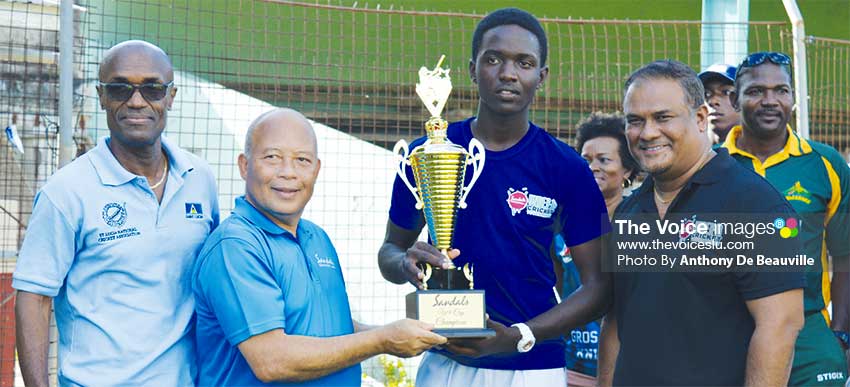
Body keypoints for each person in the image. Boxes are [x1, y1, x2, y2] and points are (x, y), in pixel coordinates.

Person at [378, 8, 612, 386]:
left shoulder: (566, 167)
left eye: (524, 63)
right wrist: (405, 261)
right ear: (472, 70)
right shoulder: (429, 154)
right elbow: (388, 251)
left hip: (531, 365)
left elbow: (598, 286)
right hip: (445, 361)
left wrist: (520, 335)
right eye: (494, 59)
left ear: (541, 77)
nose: (508, 73)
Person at [13, 40, 220, 386]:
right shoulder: (66, 192)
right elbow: (33, 299)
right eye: (120, 88)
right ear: (101, 95)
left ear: (171, 96)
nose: (136, 101)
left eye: (153, 88)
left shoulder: (199, 178)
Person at [192, 108, 447, 386]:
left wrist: (411, 333)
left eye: (302, 160)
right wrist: (383, 340)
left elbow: (330, 327)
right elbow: (271, 360)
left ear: (316, 169)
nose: (288, 172)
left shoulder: (316, 237)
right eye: (272, 158)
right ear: (244, 165)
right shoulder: (236, 246)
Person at [599, 59, 806, 386]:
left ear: (699, 118)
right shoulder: (629, 211)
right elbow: (616, 322)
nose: (648, 132)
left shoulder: (758, 206)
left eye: (663, 117)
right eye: (635, 120)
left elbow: (780, 325)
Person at [723, 51, 850, 386]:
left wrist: (840, 333)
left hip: (809, 335)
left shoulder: (826, 165)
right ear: (735, 99)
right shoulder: (710, 166)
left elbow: (845, 255)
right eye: (756, 91)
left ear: (794, 98)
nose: (770, 101)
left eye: (781, 90)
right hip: (729, 330)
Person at [552, 112, 638, 387]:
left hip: (628, 366)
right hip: (570, 364)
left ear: (627, 170)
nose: (592, 167)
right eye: (586, 160)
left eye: (604, 160)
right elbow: (556, 286)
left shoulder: (642, 221)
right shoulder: (559, 223)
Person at [698, 63, 741, 144]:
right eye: (706, 94)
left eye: (726, 92)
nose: (713, 101)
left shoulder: (760, 152)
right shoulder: (687, 152)